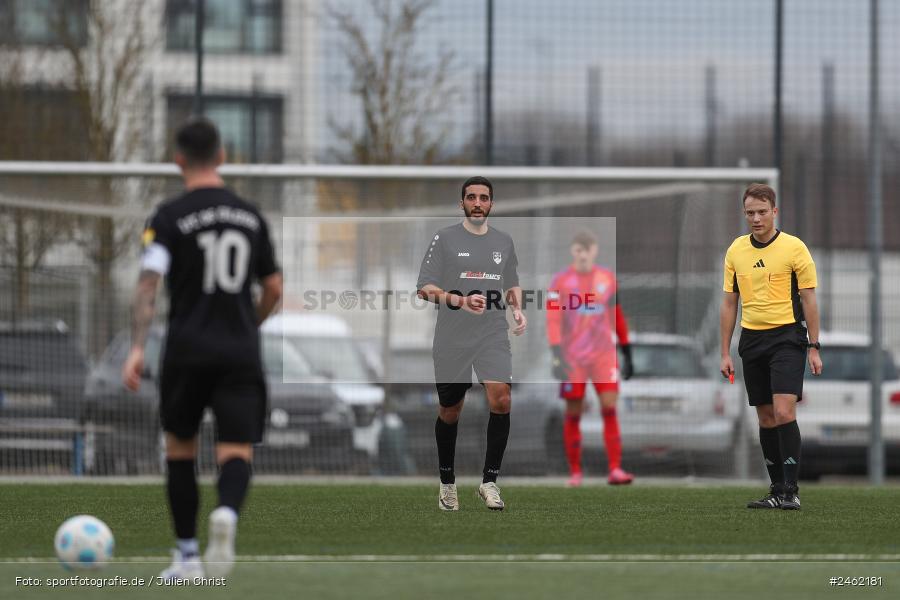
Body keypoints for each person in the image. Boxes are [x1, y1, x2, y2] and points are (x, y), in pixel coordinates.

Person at [122, 117, 282, 579]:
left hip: (186, 351)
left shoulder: (167, 217)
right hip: (238, 352)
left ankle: (188, 555)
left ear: (178, 161)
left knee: (180, 450)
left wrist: (136, 347)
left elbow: (148, 283)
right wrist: (249, 324)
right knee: (235, 452)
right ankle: (227, 513)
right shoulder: (251, 216)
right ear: (223, 156)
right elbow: (273, 287)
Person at [416, 176, 526, 511]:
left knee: (502, 398)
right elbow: (424, 288)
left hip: (492, 332)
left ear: (491, 203)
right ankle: (447, 483)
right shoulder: (445, 239)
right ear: (462, 202)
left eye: (484, 198)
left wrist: (517, 309)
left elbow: (512, 282)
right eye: (471, 197)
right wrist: (460, 301)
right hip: (452, 337)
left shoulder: (504, 242)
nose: (478, 203)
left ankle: (489, 482)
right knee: (451, 410)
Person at [720, 183, 822, 511]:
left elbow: (809, 299)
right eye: (750, 213)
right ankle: (776, 490)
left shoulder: (794, 249)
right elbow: (728, 304)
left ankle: (791, 491)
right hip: (752, 340)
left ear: (774, 212)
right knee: (765, 418)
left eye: (762, 212)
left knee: (783, 411)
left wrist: (814, 345)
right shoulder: (736, 250)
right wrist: (725, 351)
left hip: (788, 338)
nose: (756, 218)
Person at [546, 231, 635, 487]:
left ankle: (615, 469)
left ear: (595, 251)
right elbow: (552, 318)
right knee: (573, 412)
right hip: (572, 358)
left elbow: (617, 315)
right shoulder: (559, 282)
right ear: (572, 252)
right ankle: (575, 472)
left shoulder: (607, 278)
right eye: (578, 250)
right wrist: (555, 353)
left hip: (603, 356)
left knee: (609, 407)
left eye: (588, 249)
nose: (583, 254)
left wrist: (627, 351)